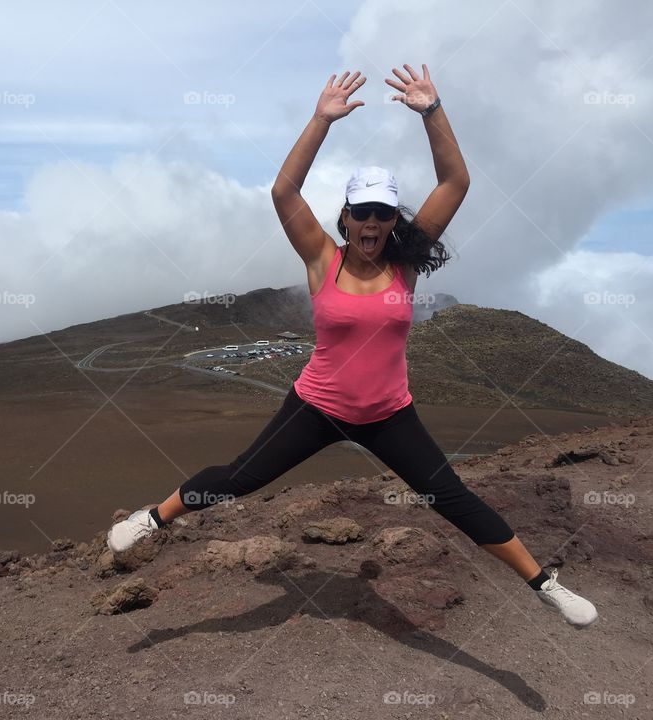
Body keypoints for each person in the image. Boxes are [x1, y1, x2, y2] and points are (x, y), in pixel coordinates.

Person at [107, 64, 597, 628]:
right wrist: (321, 120)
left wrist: (432, 111)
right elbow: (283, 191)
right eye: (360, 211)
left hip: (389, 414)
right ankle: (153, 518)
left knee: (450, 496)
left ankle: (543, 584)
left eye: (382, 212)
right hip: (317, 407)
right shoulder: (322, 258)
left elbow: (456, 183)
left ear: (393, 220)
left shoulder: (405, 262)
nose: (371, 221)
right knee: (240, 478)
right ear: (344, 217)